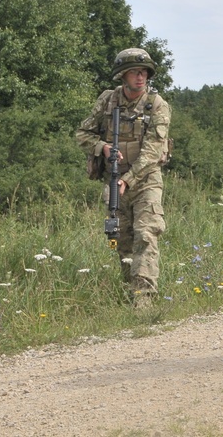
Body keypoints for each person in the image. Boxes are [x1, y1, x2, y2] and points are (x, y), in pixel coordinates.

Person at [76, 48, 172, 308]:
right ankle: (127, 290)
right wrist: (103, 148)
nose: (140, 77)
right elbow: (82, 134)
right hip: (113, 178)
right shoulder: (108, 101)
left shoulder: (157, 105)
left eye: (144, 72)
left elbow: (153, 150)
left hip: (145, 179)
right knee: (121, 239)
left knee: (146, 233)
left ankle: (144, 300)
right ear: (123, 76)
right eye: (134, 72)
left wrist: (129, 179)